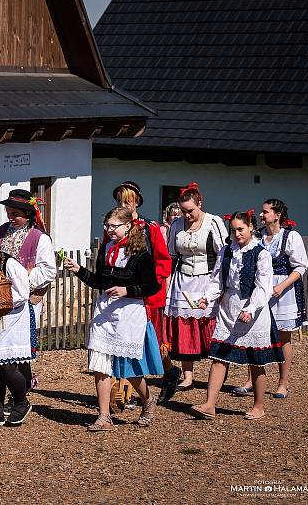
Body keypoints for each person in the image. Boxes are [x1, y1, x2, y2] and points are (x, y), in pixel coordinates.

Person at [63, 207, 162, 431]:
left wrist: (127, 290)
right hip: (105, 311)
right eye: (107, 226)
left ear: (127, 226)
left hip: (129, 313)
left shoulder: (140, 253)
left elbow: (152, 286)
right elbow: (99, 281)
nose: (109, 230)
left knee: (129, 367)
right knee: (100, 363)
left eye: (113, 227)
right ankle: (104, 416)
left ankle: (148, 399)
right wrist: (78, 269)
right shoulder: (106, 249)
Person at [191, 211, 284, 420]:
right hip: (228, 308)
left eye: (241, 229)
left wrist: (250, 309)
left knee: (255, 360)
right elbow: (217, 279)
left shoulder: (261, 253)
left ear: (251, 227)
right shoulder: (226, 251)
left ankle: (259, 406)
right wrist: (207, 297)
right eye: (233, 230)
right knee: (218, 356)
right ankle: (209, 404)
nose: (237, 234)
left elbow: (263, 287)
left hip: (253, 309)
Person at [231, 199, 307, 399]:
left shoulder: (290, 236)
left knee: (283, 337)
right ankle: (251, 379)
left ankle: (283, 383)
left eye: (265, 212)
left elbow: (301, 267)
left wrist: (280, 287)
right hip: (259, 289)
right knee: (252, 334)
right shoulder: (257, 236)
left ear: (277, 214)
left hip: (283, 291)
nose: (262, 215)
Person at [111, 181, 176, 400]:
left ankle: (170, 372)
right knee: (123, 341)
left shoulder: (150, 228)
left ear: (136, 201)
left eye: (128, 200)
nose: (124, 204)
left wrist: (149, 283)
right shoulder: (114, 227)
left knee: (152, 342)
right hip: (123, 293)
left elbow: (163, 261)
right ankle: (125, 392)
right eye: (120, 201)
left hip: (147, 294)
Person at [163, 183, 227, 395]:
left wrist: (220, 285)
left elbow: (222, 254)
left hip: (207, 279)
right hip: (183, 280)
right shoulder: (176, 225)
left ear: (200, 203)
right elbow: (172, 255)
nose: (187, 215)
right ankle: (187, 375)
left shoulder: (213, 222)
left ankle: (215, 373)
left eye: (190, 210)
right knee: (185, 326)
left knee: (208, 325)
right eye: (183, 211)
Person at [0, 189, 56, 406]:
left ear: (28, 214)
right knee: (2, 346)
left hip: (27, 297)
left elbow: (48, 270)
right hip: (2, 297)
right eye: (8, 212)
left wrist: (23, 278)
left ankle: (20, 392)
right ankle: (9, 392)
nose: (10, 218)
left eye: (15, 214)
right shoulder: (1, 232)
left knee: (20, 346)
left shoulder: (40, 238)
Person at [0, 232, 33, 427]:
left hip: (11, 319)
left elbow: (22, 292)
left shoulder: (10, 265)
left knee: (6, 365)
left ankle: (21, 402)